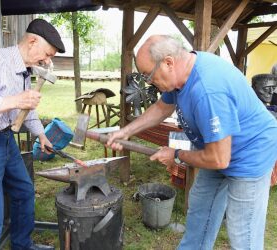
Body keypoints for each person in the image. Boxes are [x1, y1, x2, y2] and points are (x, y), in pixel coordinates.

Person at [107, 35, 277, 250]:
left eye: (148, 75)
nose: (149, 82)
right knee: (200, 210)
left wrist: (176, 155)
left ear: (168, 62)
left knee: (243, 232)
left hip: (251, 153)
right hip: (216, 149)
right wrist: (126, 131)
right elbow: (162, 107)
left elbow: (219, 158)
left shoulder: (207, 90)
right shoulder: (181, 75)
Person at [0, 19, 65, 250]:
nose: (47, 61)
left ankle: (22, 245)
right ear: (32, 41)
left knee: (24, 192)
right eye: (47, 54)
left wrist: (41, 135)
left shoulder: (25, 71)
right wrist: (14, 100)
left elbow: (25, 111)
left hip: (5, 138)